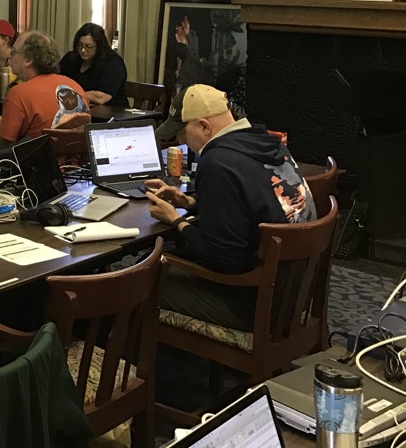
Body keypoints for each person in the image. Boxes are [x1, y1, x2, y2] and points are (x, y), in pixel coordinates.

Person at [145, 84, 317, 330]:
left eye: (183, 131)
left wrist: (176, 219)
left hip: (254, 303)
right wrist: (192, 203)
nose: (181, 140)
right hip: (293, 292)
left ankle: (142, 365)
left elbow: (225, 259)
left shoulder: (217, 163)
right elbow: (251, 205)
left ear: (204, 127)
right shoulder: (268, 143)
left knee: (142, 278)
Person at [0, 30, 91, 149]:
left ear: (28, 60)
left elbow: (3, 148)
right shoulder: (76, 87)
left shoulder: (19, 93)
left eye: (13, 52)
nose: (9, 55)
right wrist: (6, 124)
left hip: (36, 164)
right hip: (74, 165)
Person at [58, 22, 127, 106]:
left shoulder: (113, 63)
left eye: (88, 47)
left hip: (112, 113)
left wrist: (69, 94)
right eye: (80, 45)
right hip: (78, 109)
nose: (83, 50)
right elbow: (55, 79)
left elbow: (101, 97)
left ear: (99, 46)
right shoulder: (71, 58)